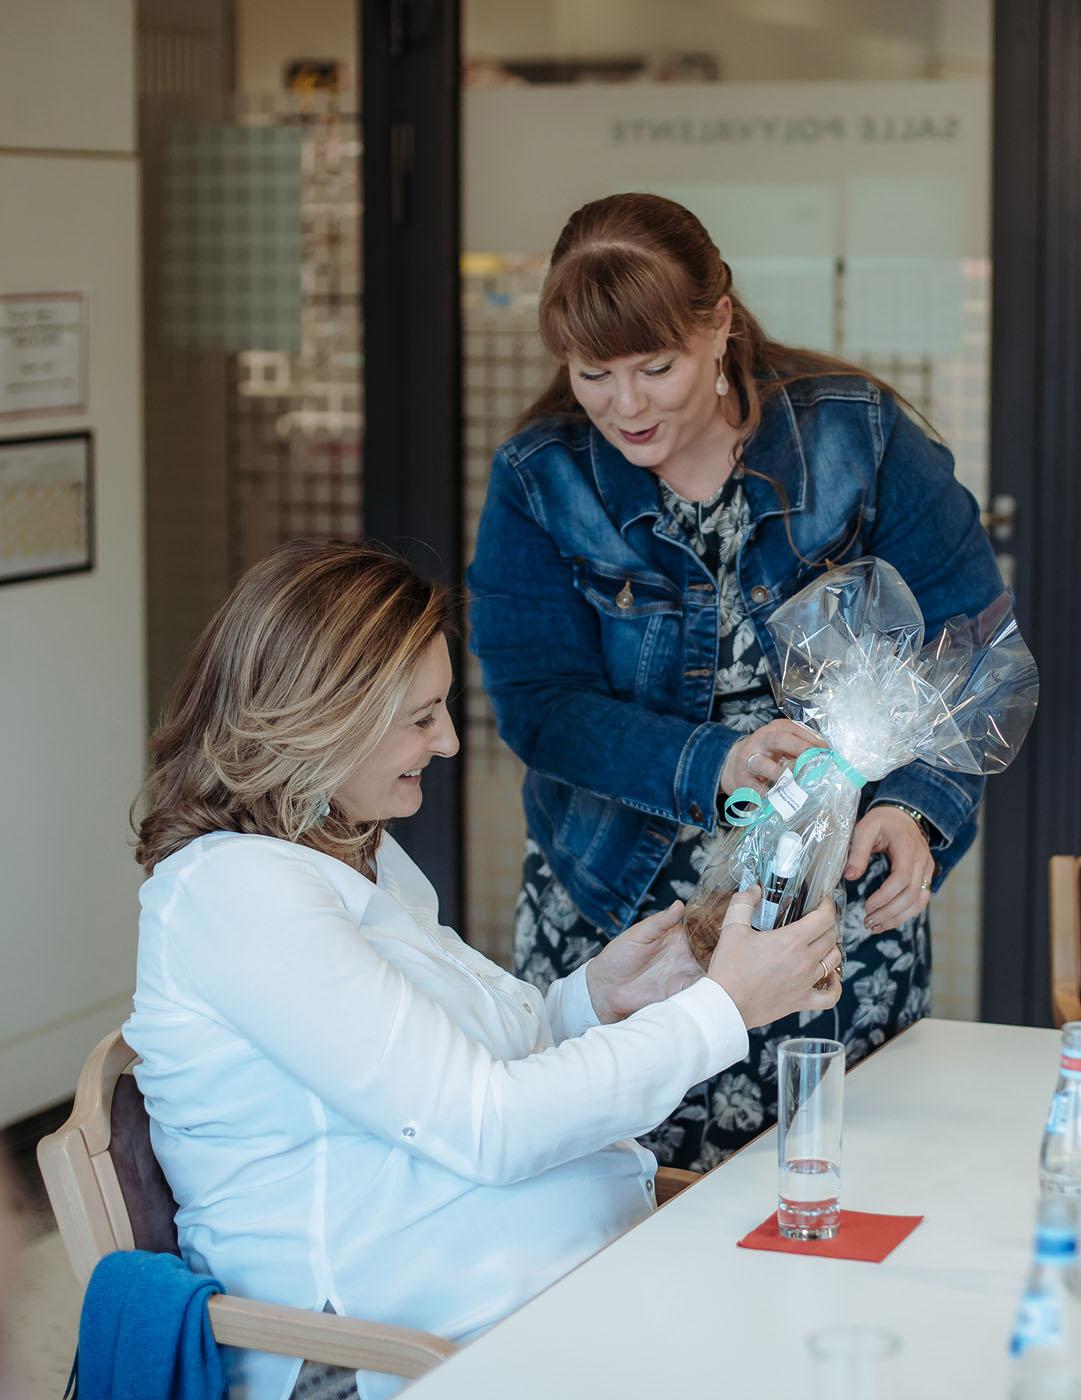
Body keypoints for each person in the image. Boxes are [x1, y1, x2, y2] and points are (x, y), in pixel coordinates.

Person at [124, 539, 842, 1400]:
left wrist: (600, 1000)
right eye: (421, 717)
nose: (450, 742)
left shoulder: (355, 855)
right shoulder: (234, 894)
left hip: (531, 1308)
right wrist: (720, 1011)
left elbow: (446, 1076)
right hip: (394, 1356)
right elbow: (483, 1125)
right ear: (322, 717)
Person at [467, 192, 1005, 1172]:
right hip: (624, 914)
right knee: (615, 1204)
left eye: (655, 367)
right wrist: (714, 759)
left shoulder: (858, 437)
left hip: (824, 906)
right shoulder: (542, 477)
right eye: (593, 373)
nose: (625, 406)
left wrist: (918, 812)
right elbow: (538, 704)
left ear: (718, 323)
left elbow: (969, 646)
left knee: (824, 1185)